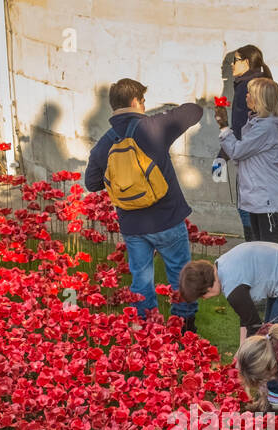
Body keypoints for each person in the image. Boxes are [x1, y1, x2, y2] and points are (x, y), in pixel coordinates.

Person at [83, 79, 203, 332]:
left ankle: (147, 327)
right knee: (179, 275)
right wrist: (166, 113)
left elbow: (91, 183)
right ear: (137, 102)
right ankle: (183, 323)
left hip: (133, 223)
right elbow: (194, 111)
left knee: (141, 278)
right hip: (167, 216)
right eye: (143, 101)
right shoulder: (153, 126)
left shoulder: (103, 145)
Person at [178, 243, 278, 342]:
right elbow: (246, 316)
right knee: (270, 331)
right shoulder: (222, 264)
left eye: (202, 296)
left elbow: (254, 328)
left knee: (276, 341)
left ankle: (274, 386)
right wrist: (241, 351)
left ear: (207, 289)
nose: (204, 299)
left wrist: (245, 360)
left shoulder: (233, 289)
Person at [217, 77, 278, 244]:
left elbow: (237, 151)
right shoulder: (256, 124)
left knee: (268, 247)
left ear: (260, 99)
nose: (246, 96)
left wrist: (224, 127)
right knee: (259, 245)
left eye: (250, 94)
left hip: (266, 198)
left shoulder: (266, 127)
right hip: (258, 197)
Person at [219, 44, 273, 242]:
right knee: (257, 202)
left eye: (235, 60)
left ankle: (254, 243)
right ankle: (270, 238)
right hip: (261, 153)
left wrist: (223, 153)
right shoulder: (261, 82)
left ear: (247, 62)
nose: (231, 65)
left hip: (248, 153)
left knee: (246, 203)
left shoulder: (246, 86)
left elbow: (240, 126)